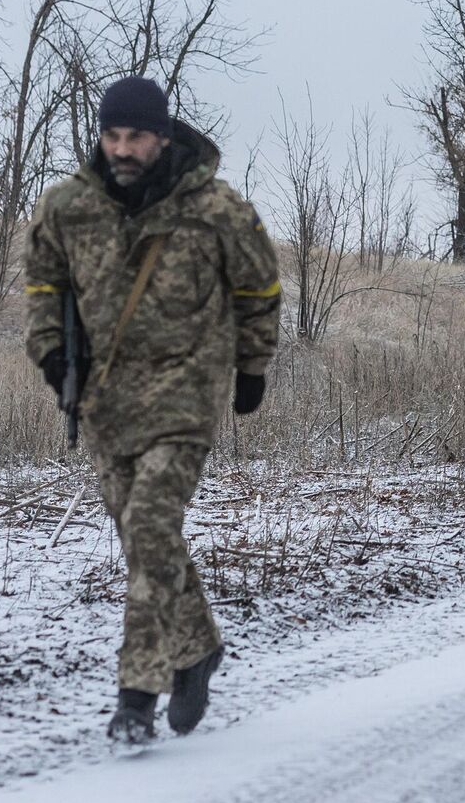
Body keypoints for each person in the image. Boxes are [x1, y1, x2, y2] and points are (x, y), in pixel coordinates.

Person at [22, 76, 280, 744]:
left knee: (150, 520)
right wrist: (51, 354)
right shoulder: (68, 207)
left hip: (185, 393)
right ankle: (198, 648)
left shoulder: (215, 208)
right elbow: (44, 284)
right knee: (144, 537)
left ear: (162, 136)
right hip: (106, 402)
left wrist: (251, 369)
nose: (123, 148)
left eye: (135, 135)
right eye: (112, 135)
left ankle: (137, 693)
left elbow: (260, 287)